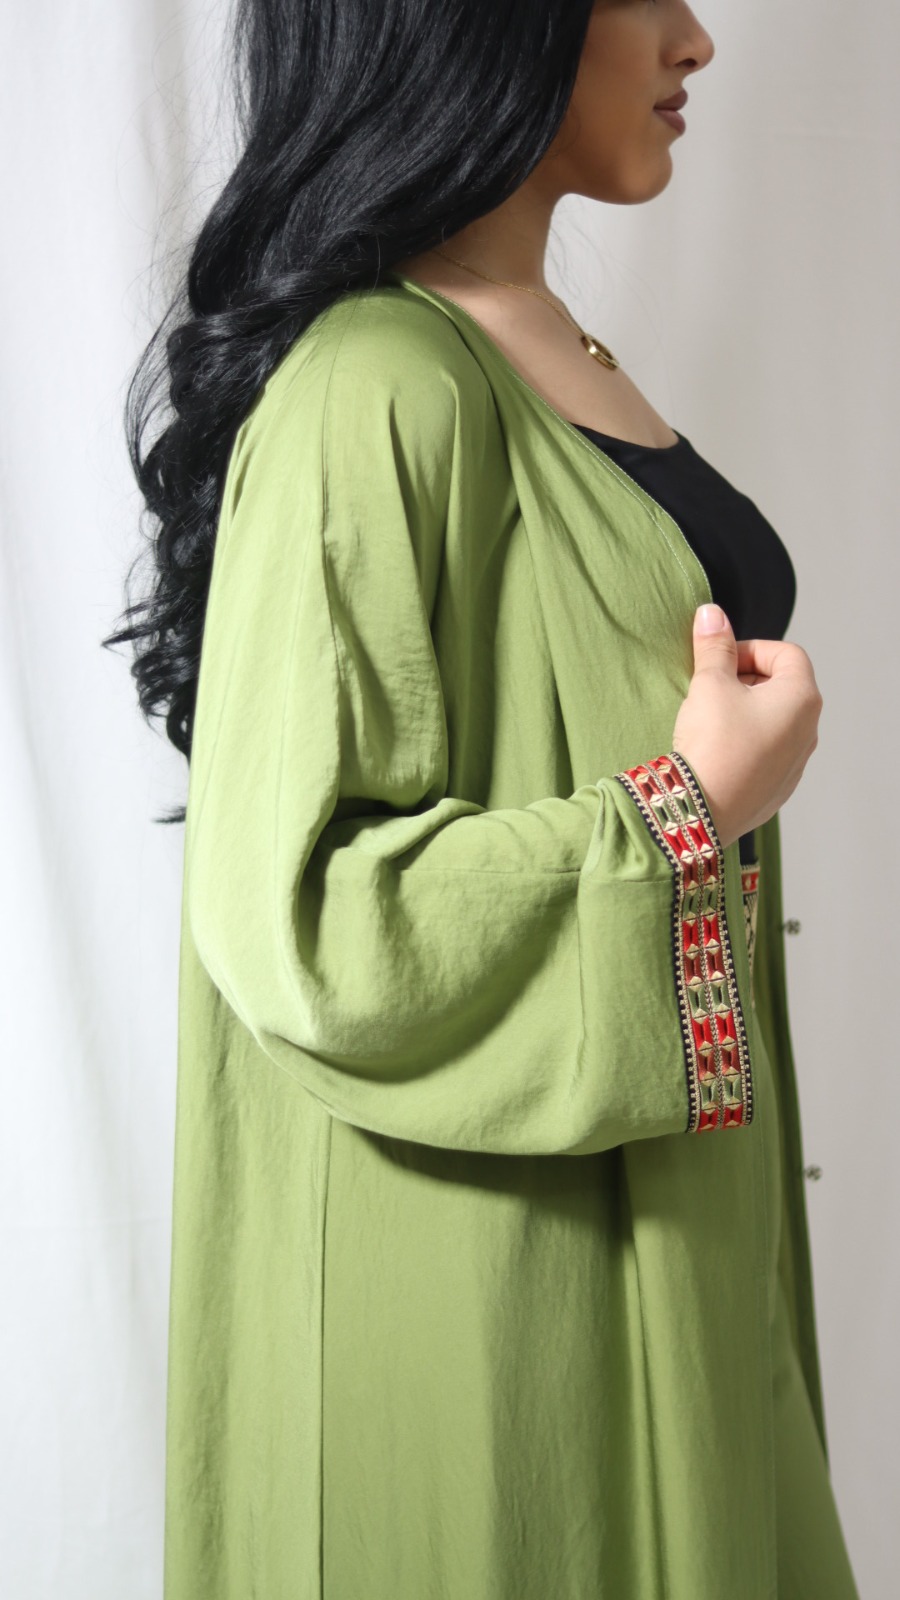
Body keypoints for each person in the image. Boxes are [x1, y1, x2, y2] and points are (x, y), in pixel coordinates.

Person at [105, 1, 861, 1595]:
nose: (696, 39)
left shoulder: (538, 345)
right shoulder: (372, 381)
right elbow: (300, 918)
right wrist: (685, 808)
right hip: (485, 1290)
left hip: (657, 1222)